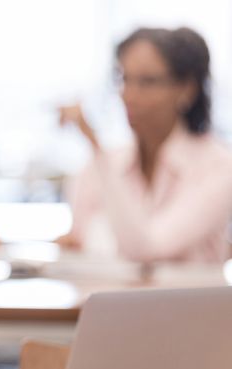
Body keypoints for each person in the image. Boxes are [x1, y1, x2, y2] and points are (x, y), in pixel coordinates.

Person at [60, 27, 232, 263]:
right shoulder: (101, 165)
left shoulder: (219, 166)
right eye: (124, 79)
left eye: (147, 82)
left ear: (187, 88)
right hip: (106, 299)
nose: (128, 95)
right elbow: (78, 244)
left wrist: (93, 142)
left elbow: (148, 249)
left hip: (188, 301)